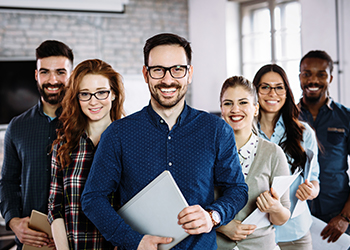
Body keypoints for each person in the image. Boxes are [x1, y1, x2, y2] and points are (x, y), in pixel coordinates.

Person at [81, 33, 248, 250]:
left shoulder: (216, 130)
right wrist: (133, 241)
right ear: (145, 74)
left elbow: (237, 189)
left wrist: (213, 216)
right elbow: (93, 198)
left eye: (177, 69)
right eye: (158, 70)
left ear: (189, 74)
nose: (168, 80)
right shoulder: (118, 133)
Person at [0, 40, 73, 249]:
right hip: (34, 243)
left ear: (71, 75)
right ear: (36, 75)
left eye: (60, 72)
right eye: (45, 72)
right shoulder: (17, 126)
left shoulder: (87, 122)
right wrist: (13, 221)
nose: (52, 80)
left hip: (79, 241)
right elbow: (8, 182)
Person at [47, 59, 125, 250]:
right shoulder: (63, 146)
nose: (93, 101)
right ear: (76, 97)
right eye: (85, 94)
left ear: (113, 94)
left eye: (101, 92)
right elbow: (55, 209)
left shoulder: (129, 143)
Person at [216, 76, 291, 250]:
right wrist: (220, 224)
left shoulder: (273, 154)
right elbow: (193, 204)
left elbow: (283, 216)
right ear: (221, 109)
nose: (235, 109)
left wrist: (275, 207)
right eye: (228, 103)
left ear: (255, 109)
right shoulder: (207, 152)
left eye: (243, 103)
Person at [252, 64, 320, 250]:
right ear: (255, 92)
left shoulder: (304, 133)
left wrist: (310, 191)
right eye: (265, 87)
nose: (272, 93)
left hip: (294, 232)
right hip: (254, 233)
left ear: (287, 92)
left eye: (279, 87)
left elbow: (314, 179)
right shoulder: (244, 133)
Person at [298, 50, 350, 242]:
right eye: (307, 74)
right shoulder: (288, 119)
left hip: (338, 217)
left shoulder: (346, 117)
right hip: (298, 216)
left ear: (331, 78)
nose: (313, 80)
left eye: (321, 74)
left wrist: (345, 217)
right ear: (300, 77)